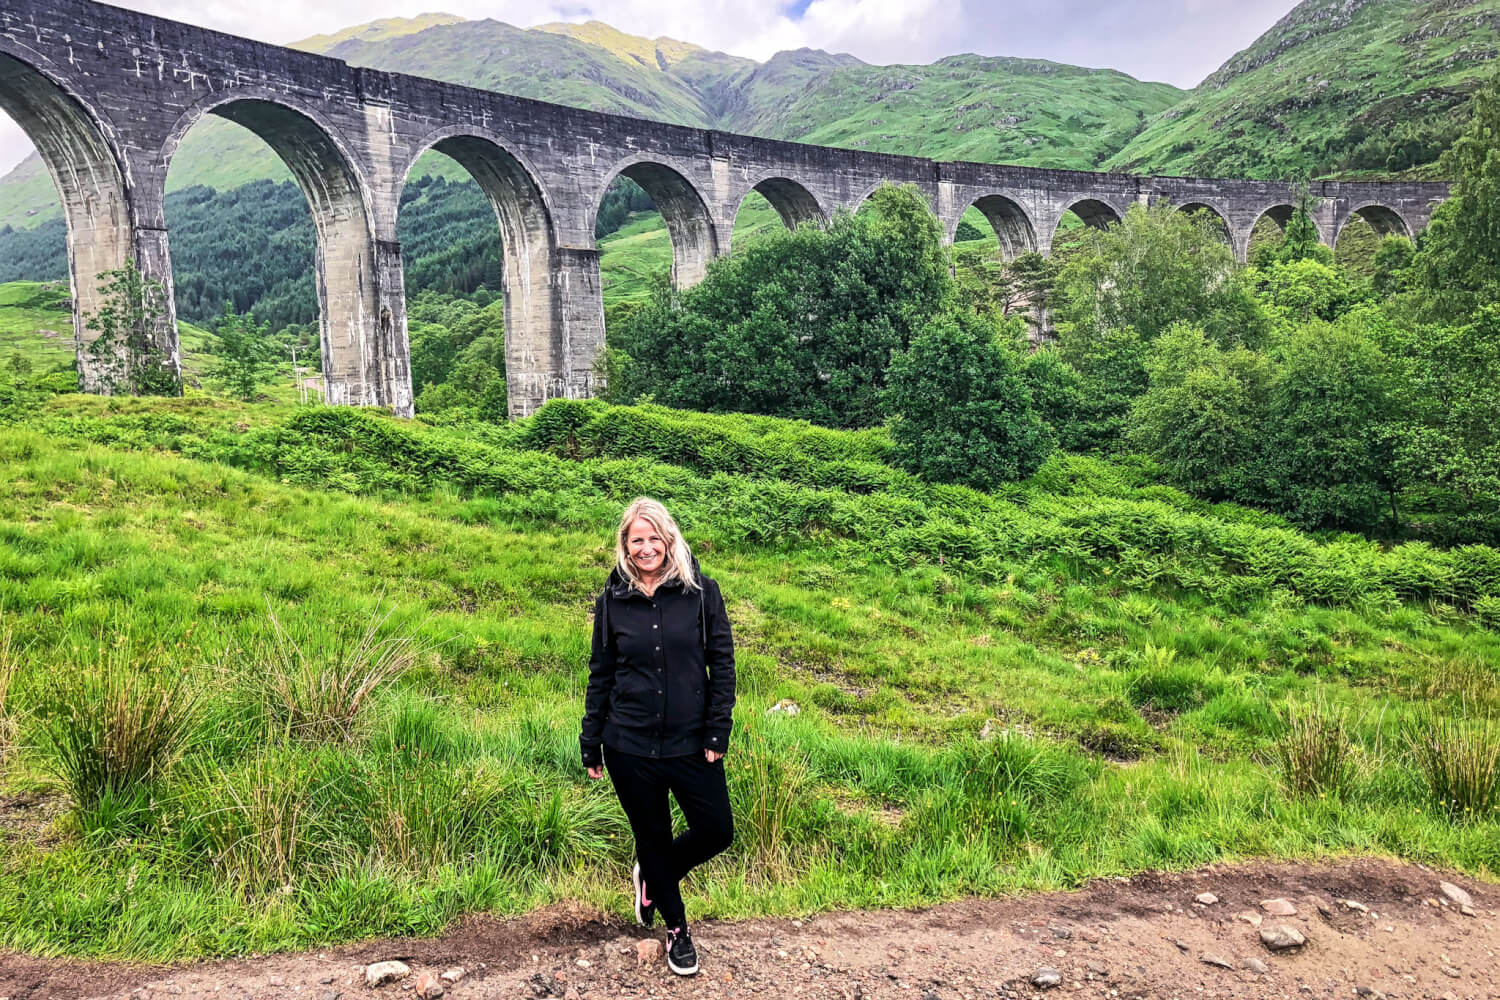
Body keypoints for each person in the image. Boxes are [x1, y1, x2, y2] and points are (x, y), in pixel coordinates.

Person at [580, 497, 737, 977]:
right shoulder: (612, 600)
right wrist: (591, 739)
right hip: (627, 744)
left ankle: (653, 874)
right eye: (636, 540)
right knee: (652, 835)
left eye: (653, 538)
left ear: (669, 540)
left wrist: (717, 729)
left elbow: (723, 664)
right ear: (624, 547)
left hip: (692, 742)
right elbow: (601, 672)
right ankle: (677, 930)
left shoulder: (701, 593)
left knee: (717, 830)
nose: (646, 548)